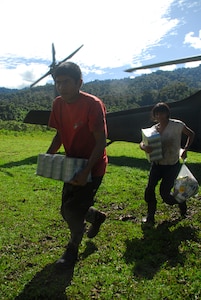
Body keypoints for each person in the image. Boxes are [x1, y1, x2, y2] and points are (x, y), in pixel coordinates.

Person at [46, 62, 108, 268]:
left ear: (79, 82)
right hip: (71, 164)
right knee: (65, 210)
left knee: (72, 211)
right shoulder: (58, 104)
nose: (61, 87)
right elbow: (59, 134)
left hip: (93, 166)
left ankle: (72, 249)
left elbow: (100, 141)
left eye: (66, 83)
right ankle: (95, 217)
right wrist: (48, 157)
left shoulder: (92, 104)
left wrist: (87, 171)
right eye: (58, 83)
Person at [140, 102, 195, 226]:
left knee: (165, 195)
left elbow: (191, 134)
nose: (159, 116)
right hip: (157, 164)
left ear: (167, 113)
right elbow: (142, 143)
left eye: (162, 113)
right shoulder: (154, 129)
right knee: (149, 190)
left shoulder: (177, 125)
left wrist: (185, 149)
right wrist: (144, 147)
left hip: (171, 165)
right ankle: (150, 217)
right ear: (154, 115)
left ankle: (181, 201)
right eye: (157, 113)